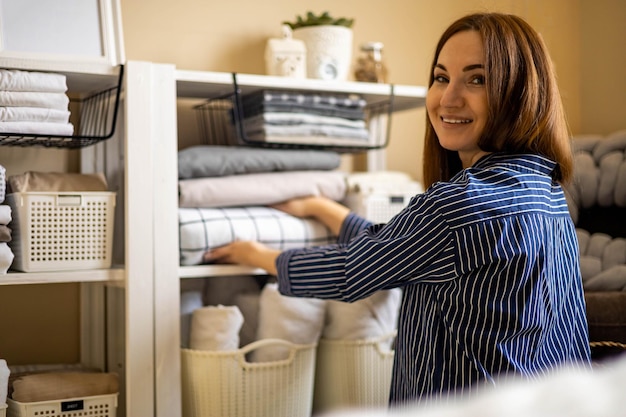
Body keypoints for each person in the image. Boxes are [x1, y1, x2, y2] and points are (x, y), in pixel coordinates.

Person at [205, 12, 592, 407]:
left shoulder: (458, 206)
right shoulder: (545, 190)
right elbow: (403, 249)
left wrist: (257, 255)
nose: (448, 98)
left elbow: (353, 270)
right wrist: (324, 209)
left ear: (519, 91)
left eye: (478, 79)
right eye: (441, 77)